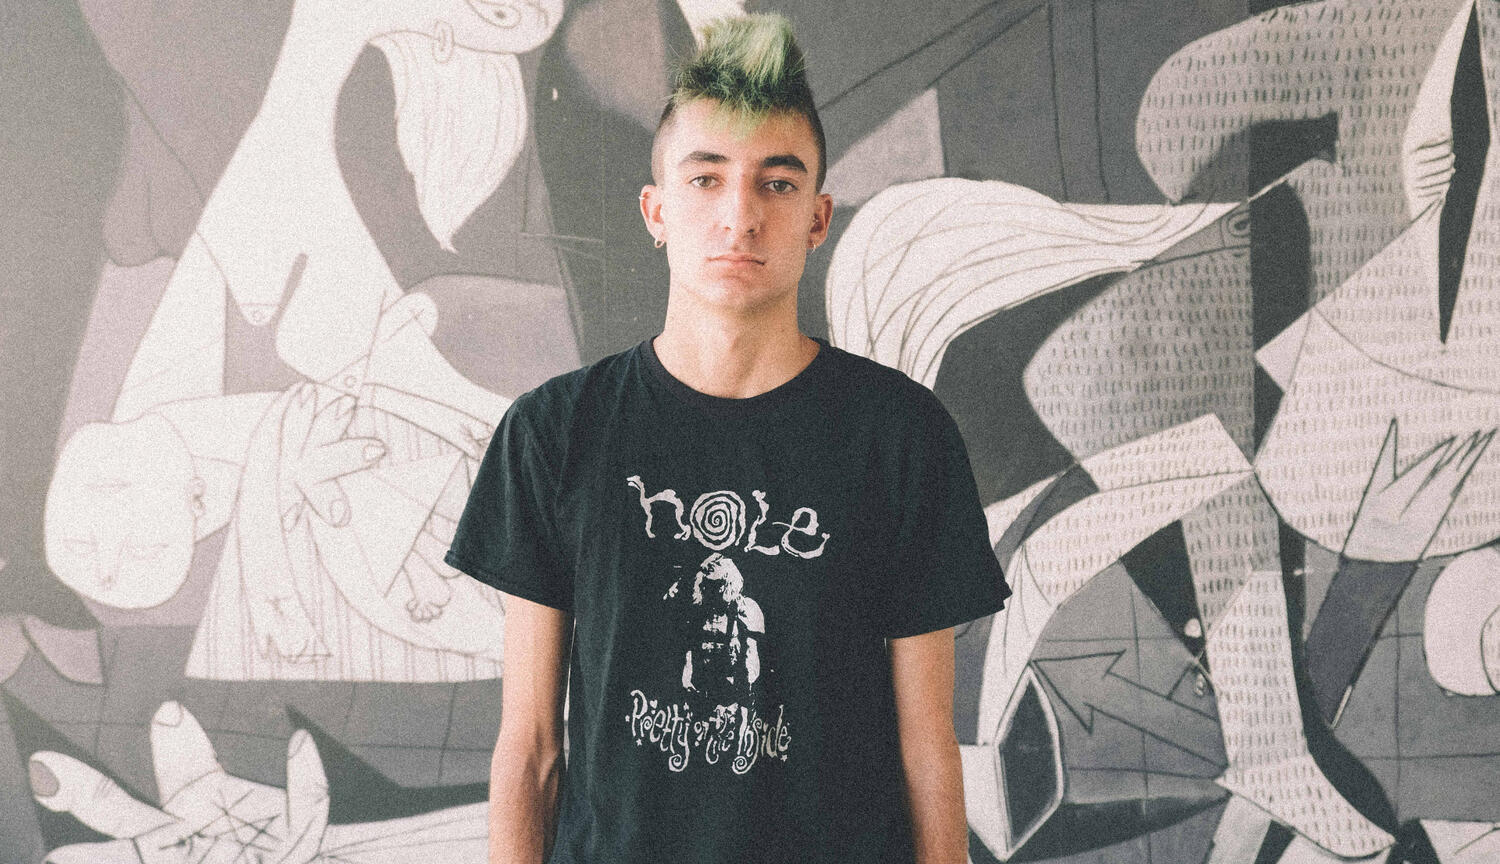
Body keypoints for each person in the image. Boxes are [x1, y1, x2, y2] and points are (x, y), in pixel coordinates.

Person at [443, 13, 1010, 864]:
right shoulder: (554, 435)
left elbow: (927, 748)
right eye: (706, 179)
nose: (739, 215)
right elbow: (529, 751)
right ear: (656, 211)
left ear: (817, 218)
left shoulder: (902, 437)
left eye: (776, 184)